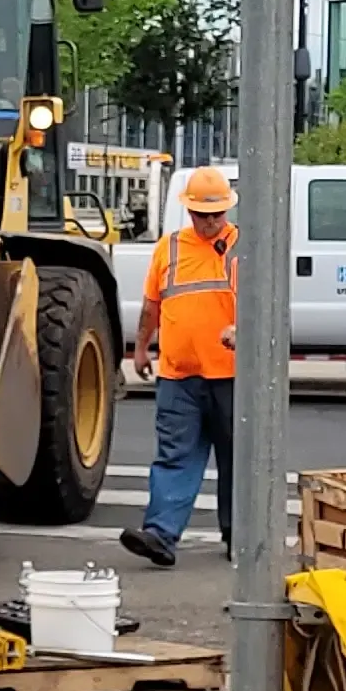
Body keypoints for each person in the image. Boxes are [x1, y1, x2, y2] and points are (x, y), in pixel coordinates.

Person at [120, 168, 236, 569]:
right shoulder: (168, 249)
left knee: (238, 457)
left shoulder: (243, 248)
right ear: (188, 211)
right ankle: (161, 535)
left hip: (233, 375)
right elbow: (153, 302)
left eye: (217, 214)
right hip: (179, 374)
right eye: (203, 214)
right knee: (175, 455)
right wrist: (140, 348)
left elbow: (264, 304)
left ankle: (239, 534)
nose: (210, 222)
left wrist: (245, 330)